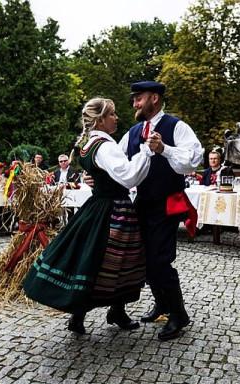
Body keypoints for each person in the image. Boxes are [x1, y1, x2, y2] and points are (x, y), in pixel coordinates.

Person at [23, 98, 153, 335]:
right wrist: (146, 151)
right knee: (110, 261)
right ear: (100, 119)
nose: (116, 118)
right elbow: (129, 177)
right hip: (114, 208)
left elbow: (100, 171)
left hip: (98, 207)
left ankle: (102, 313)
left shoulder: (87, 144)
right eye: (112, 114)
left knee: (97, 259)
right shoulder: (104, 145)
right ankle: (94, 312)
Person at [120, 80, 203, 341]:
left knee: (160, 259)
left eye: (139, 98)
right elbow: (120, 163)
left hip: (167, 202)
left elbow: (193, 160)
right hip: (143, 202)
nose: (134, 103)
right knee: (144, 257)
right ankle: (162, 304)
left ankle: (179, 314)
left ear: (154, 98)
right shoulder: (133, 132)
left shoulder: (176, 127)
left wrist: (164, 149)